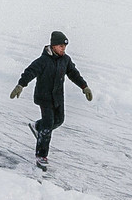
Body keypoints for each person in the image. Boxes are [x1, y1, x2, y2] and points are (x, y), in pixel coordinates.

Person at [11, 31, 92, 171]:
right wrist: (20, 85)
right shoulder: (42, 61)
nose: (63, 49)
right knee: (48, 124)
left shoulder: (65, 60)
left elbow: (74, 74)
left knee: (59, 120)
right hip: (44, 97)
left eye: (64, 47)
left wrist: (84, 87)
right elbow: (29, 72)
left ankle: (38, 126)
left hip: (58, 97)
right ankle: (41, 155)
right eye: (61, 46)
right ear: (53, 46)